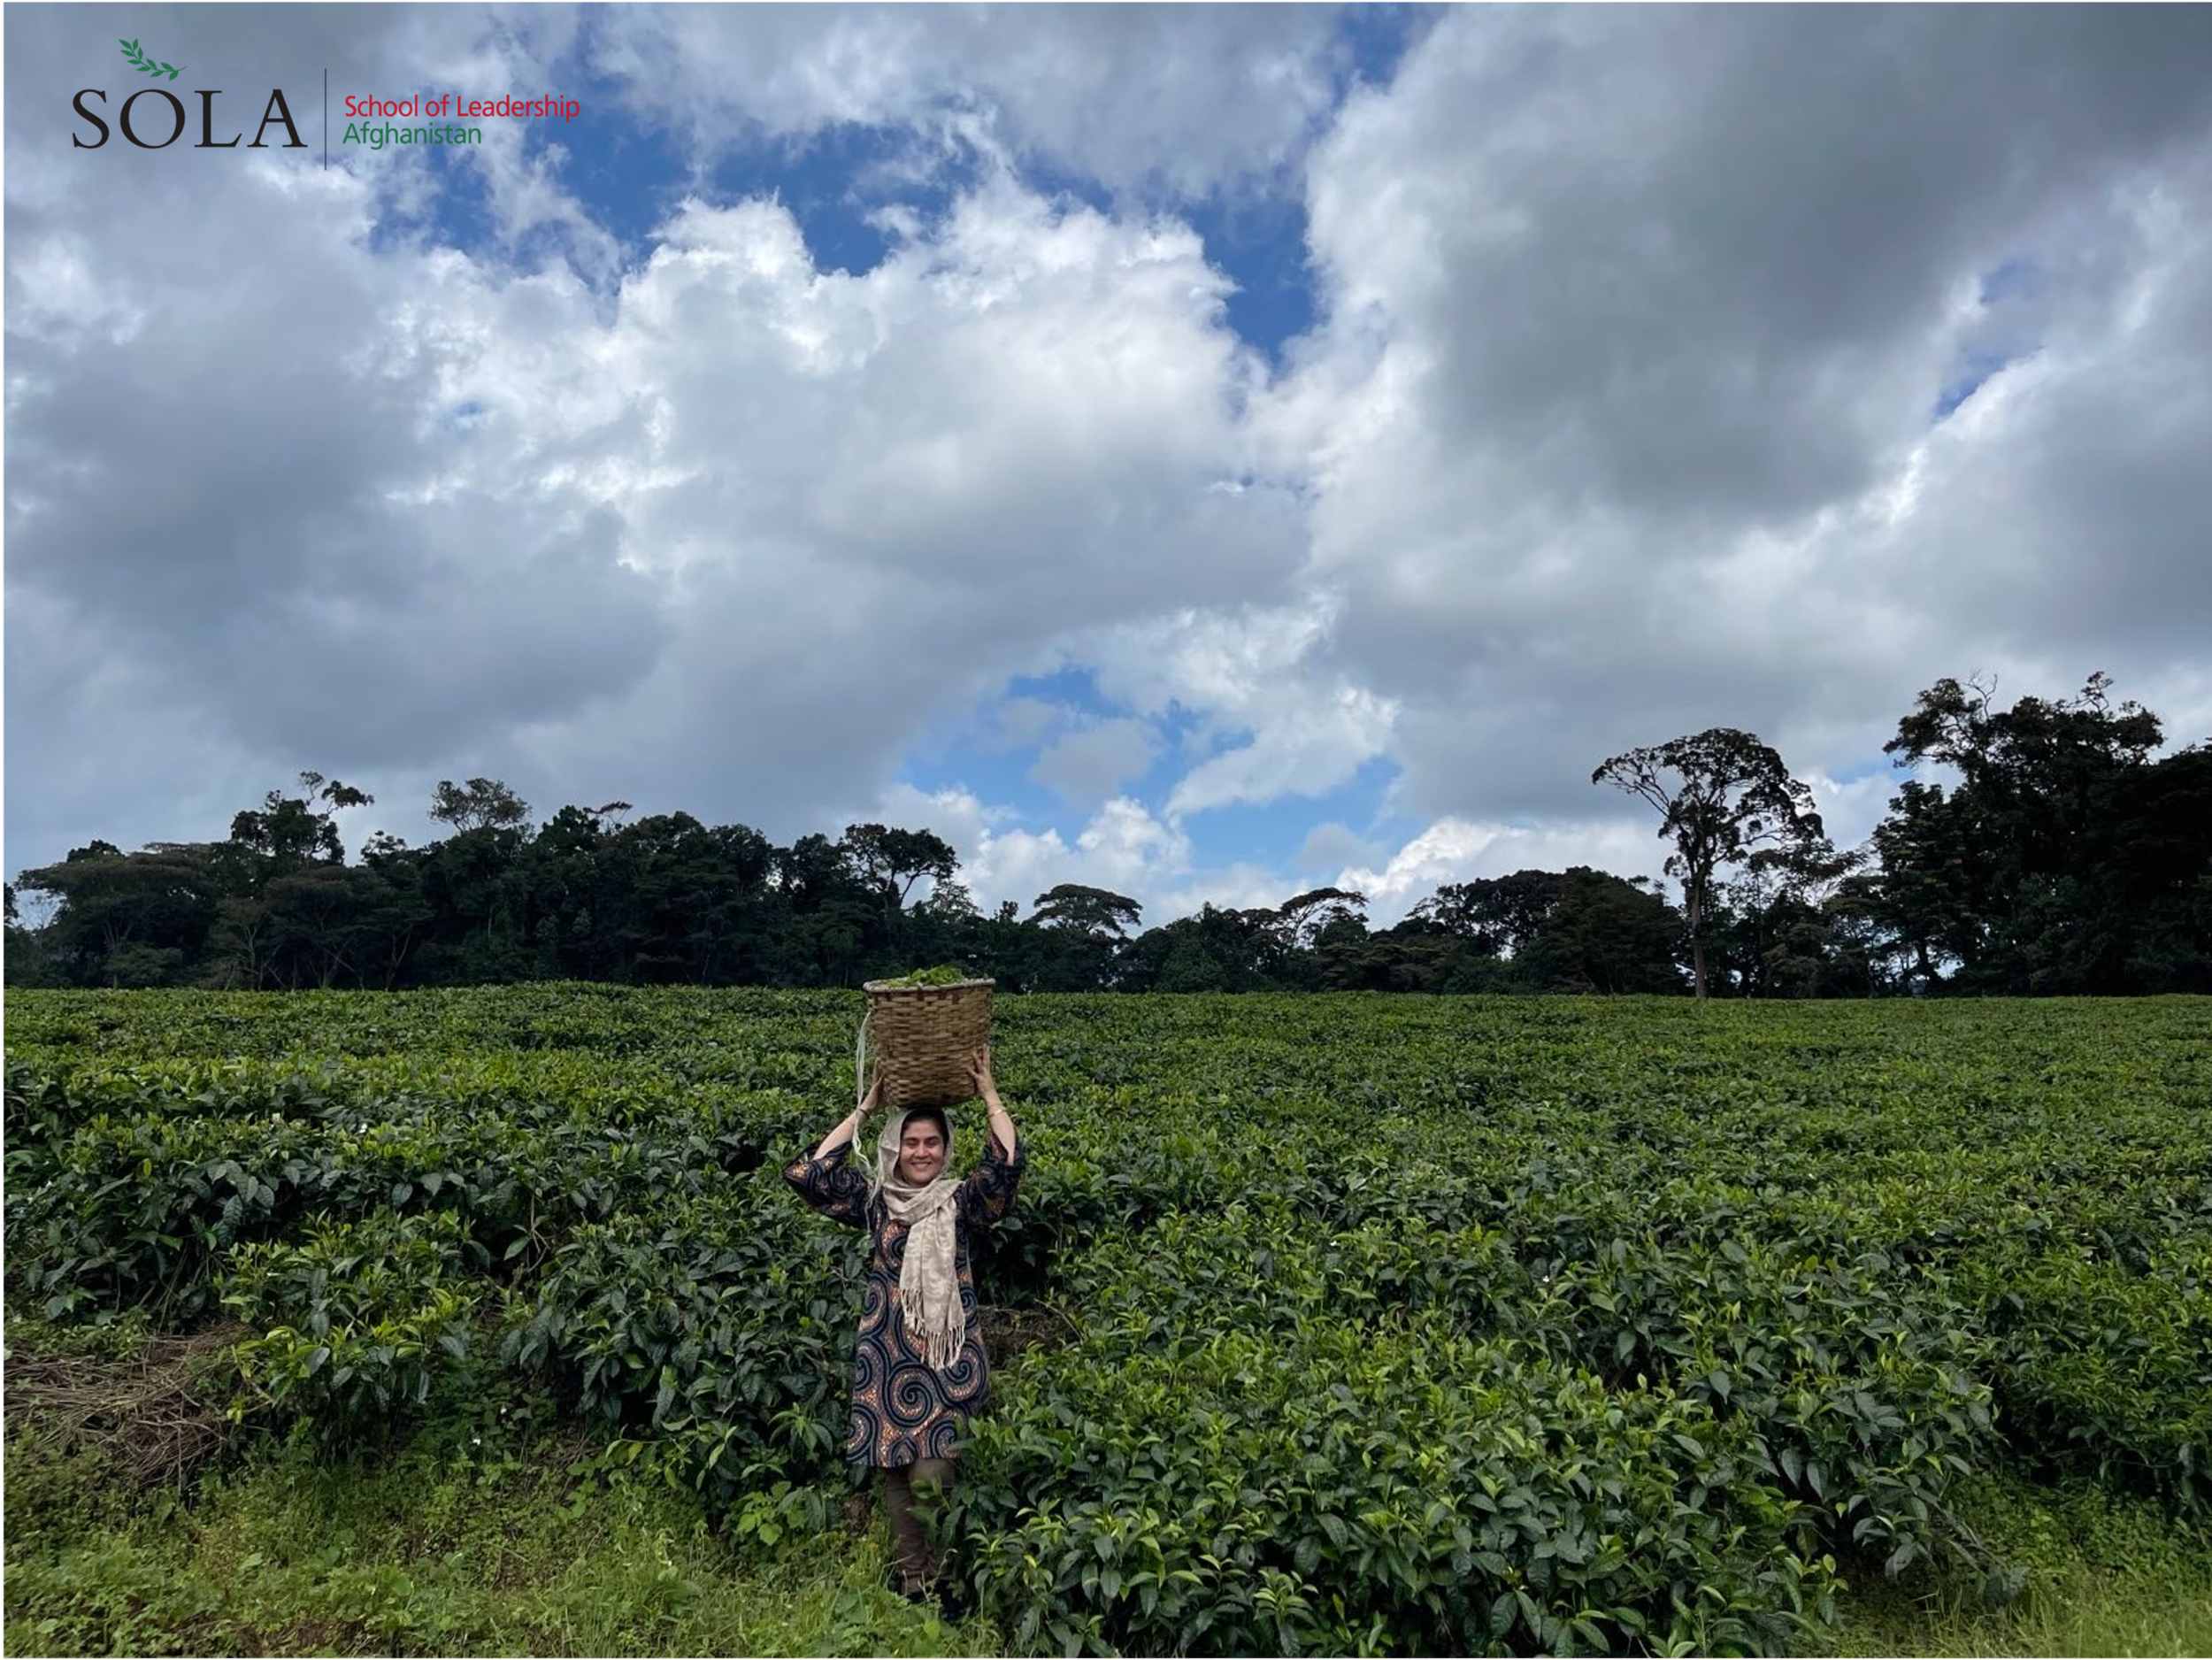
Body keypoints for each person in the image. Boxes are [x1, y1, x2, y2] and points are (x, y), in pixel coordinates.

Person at [783, 1042, 1025, 1601]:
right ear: (894, 1148)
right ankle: (918, 1584)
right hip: (887, 1358)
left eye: (932, 1142)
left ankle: (946, 1573)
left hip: (944, 1363)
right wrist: (865, 1108)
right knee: (894, 1472)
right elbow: (810, 1174)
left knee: (931, 1476)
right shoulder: (876, 1203)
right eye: (911, 1142)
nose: (921, 1152)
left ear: (945, 1149)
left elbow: (1005, 1167)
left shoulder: (960, 1202)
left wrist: (989, 1094)